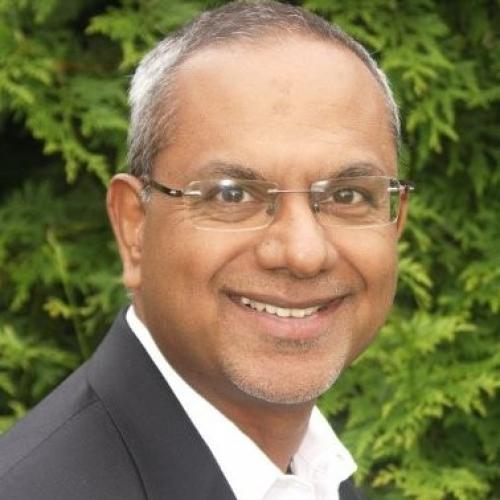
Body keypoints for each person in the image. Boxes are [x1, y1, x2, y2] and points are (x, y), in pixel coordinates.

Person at [0, 1, 414, 499]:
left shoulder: (316, 476)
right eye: (232, 195)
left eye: (347, 196)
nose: (304, 252)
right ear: (134, 228)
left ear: (395, 222)